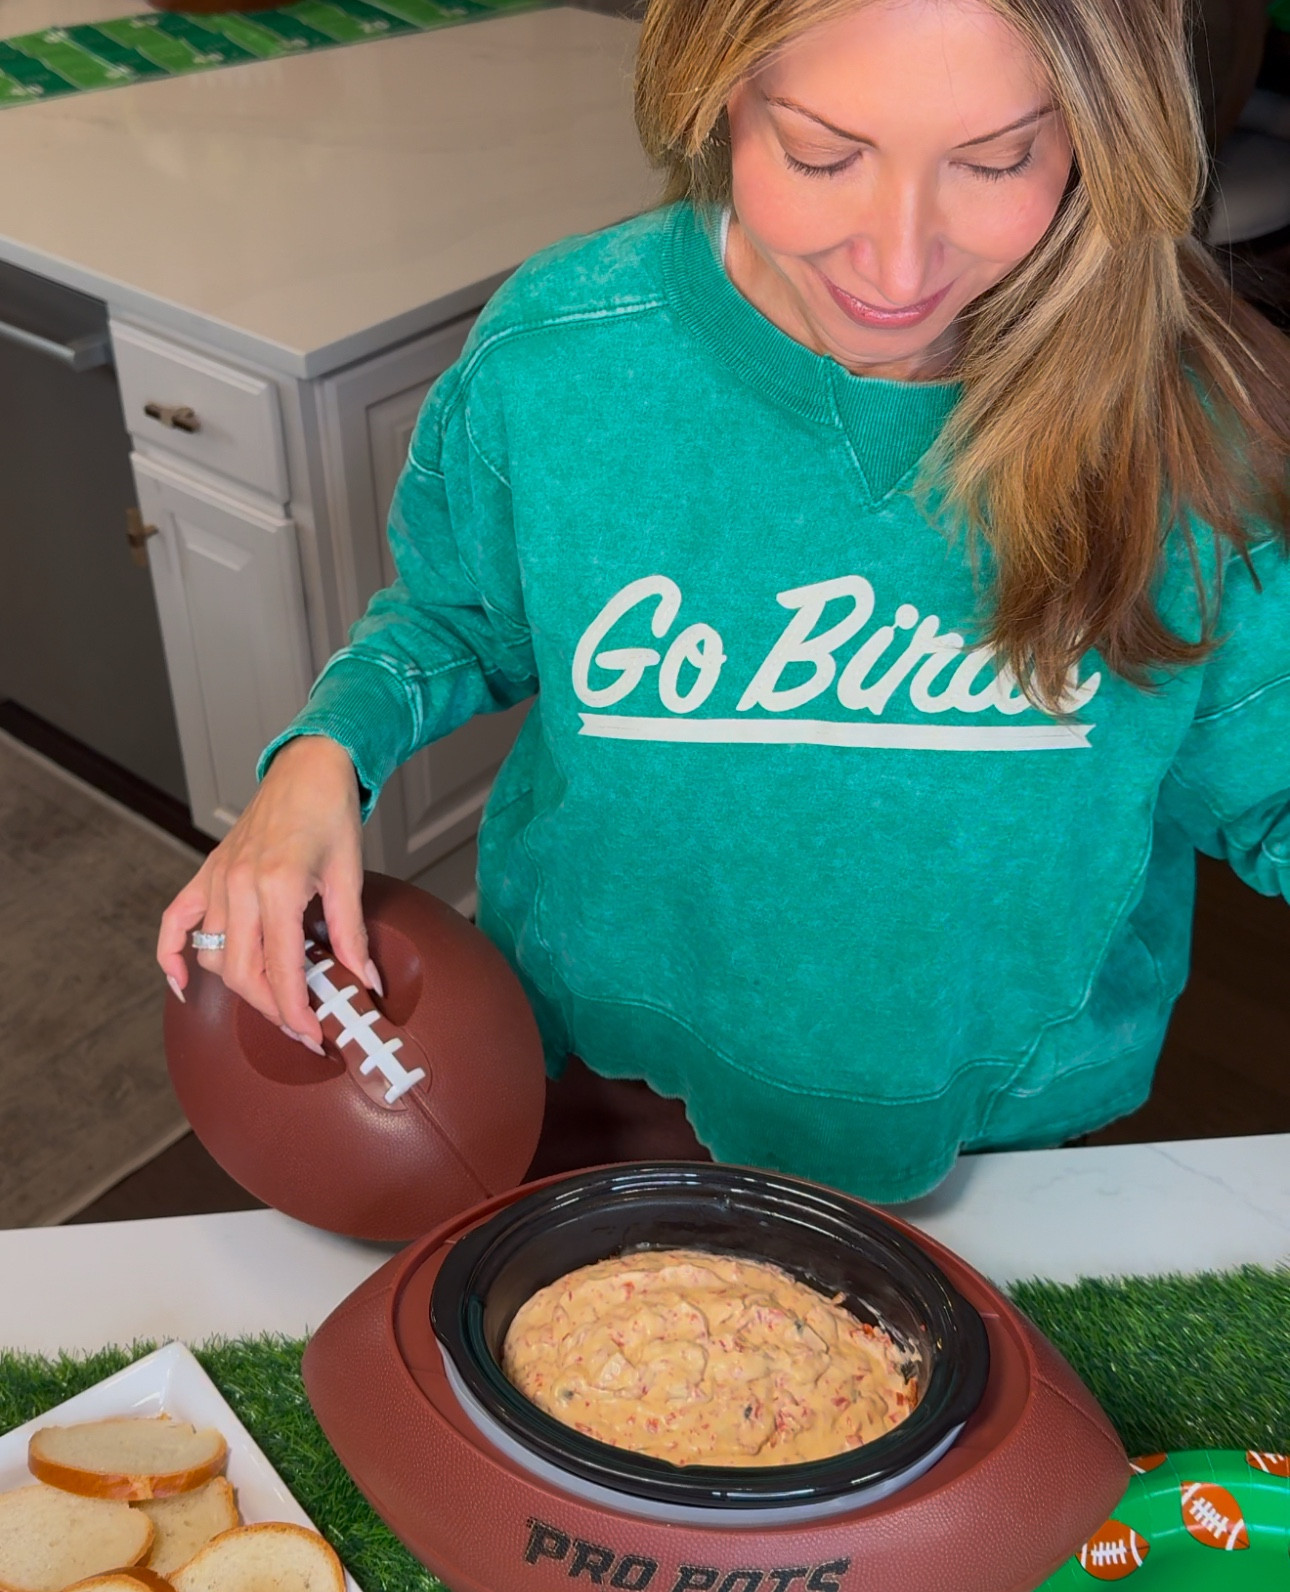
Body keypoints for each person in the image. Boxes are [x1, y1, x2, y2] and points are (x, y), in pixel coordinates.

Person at [157, 0, 1290, 1203]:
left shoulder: (1194, 431)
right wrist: (324, 752)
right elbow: (457, 618)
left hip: (1002, 1137)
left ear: (1102, 132)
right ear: (716, 92)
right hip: (606, 1092)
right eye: (820, 152)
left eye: (998, 157)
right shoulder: (561, 360)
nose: (898, 267)